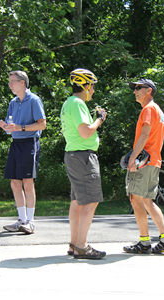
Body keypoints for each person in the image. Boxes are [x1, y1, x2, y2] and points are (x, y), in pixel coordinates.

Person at [123, 78, 164, 254]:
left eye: (138, 88)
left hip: (144, 162)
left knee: (136, 199)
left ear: (149, 90)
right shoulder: (158, 110)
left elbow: (144, 135)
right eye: (134, 88)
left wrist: (132, 158)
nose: (134, 91)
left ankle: (144, 242)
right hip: (154, 161)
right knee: (147, 201)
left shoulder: (148, 109)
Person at [60, 68, 106, 259]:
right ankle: (82, 245)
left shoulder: (69, 103)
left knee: (77, 201)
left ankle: (74, 243)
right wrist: (99, 120)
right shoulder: (78, 103)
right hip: (83, 157)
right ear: (85, 86)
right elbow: (86, 132)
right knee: (90, 200)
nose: (93, 90)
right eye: (92, 86)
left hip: (74, 155)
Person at [0, 70, 46, 234]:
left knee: (27, 182)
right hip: (16, 143)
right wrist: (4, 126)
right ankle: (21, 219)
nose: (10, 85)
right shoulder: (13, 102)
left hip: (29, 143)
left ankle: (31, 221)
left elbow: (42, 125)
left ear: (23, 83)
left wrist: (22, 127)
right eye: (9, 81)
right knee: (14, 182)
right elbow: (11, 128)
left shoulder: (34, 100)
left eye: (13, 81)